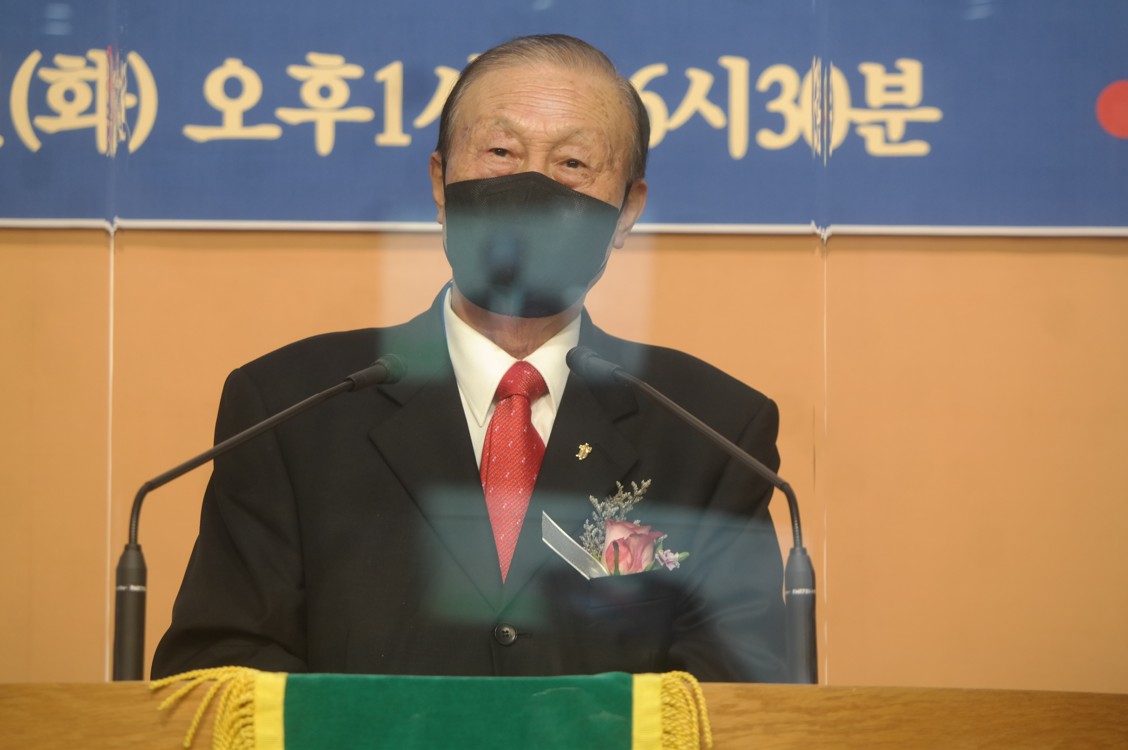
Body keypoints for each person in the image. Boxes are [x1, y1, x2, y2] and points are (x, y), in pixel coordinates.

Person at [152, 34, 788, 683]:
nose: (532, 184)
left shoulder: (709, 431)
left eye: (573, 162)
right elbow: (221, 661)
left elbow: (744, 682)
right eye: (501, 152)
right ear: (440, 183)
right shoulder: (292, 408)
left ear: (627, 210)